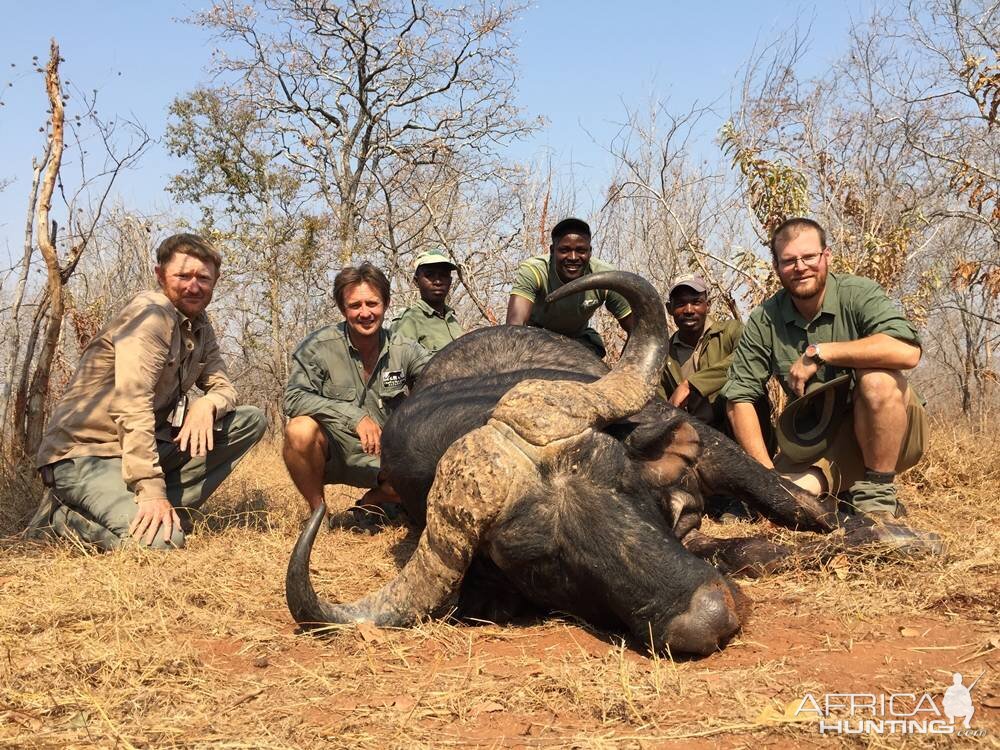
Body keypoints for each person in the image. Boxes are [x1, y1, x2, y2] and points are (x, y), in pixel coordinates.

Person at [29, 233, 267, 550]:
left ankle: (165, 509)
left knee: (248, 421)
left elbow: (223, 385)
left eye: (203, 278)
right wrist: (151, 489)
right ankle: (61, 521)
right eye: (183, 276)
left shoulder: (199, 323)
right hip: (86, 454)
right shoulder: (151, 315)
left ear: (215, 280)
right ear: (160, 276)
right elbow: (133, 404)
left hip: (137, 447)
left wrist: (207, 404)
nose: (193, 286)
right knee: (161, 543)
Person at [721, 217, 928, 524]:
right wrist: (765, 479)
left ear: (826, 256)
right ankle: (831, 493)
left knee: (878, 380)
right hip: (815, 438)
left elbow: (907, 352)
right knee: (780, 497)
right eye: (789, 261)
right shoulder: (765, 319)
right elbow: (739, 398)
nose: (800, 267)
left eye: (809, 257)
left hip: (893, 432)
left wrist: (822, 353)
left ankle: (878, 498)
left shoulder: (858, 293)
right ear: (777, 268)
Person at [282, 262, 430, 531]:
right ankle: (318, 514)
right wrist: (354, 417)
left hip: (386, 455)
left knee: (426, 472)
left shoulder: (405, 349)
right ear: (342, 308)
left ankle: (372, 501)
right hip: (335, 452)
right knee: (299, 430)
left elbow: (437, 384)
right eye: (355, 306)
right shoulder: (318, 347)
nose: (365, 313)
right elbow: (293, 397)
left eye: (372, 304)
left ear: (386, 304)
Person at [506, 217, 634, 358]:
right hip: (536, 340)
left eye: (581, 250)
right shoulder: (533, 270)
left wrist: (624, 373)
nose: (573, 257)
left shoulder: (607, 277)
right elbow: (515, 325)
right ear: (552, 251)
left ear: (590, 252)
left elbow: (637, 330)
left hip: (578, 343)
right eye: (564, 250)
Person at [660, 273, 745, 432]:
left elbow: (747, 359)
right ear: (669, 309)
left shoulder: (731, 331)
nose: (689, 310)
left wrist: (690, 385)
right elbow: (661, 403)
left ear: (708, 305)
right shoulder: (664, 353)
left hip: (737, 427)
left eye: (696, 302)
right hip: (696, 434)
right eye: (680, 304)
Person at [391, 250, 465, 354]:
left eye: (443, 275)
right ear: (416, 281)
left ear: (450, 281)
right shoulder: (409, 321)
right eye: (430, 275)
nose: (438, 281)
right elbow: (398, 365)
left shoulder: (453, 321)